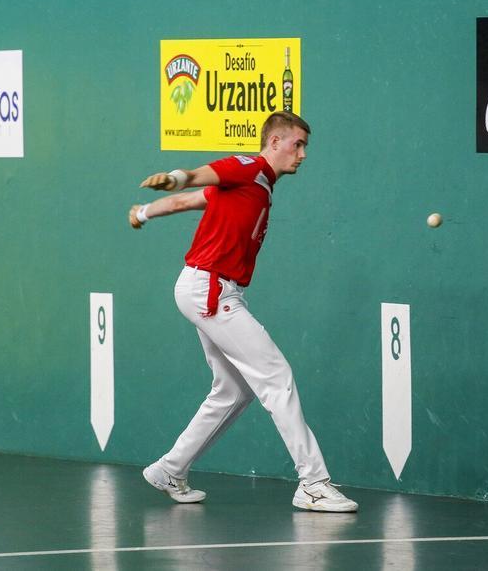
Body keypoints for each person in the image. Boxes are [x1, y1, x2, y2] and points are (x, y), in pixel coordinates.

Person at [129, 110, 357, 513]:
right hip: (210, 288)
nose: (302, 155)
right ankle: (313, 483)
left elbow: (188, 202)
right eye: (297, 145)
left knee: (233, 389)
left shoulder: (256, 186)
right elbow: (196, 180)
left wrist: (144, 212)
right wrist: (176, 175)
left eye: (304, 147)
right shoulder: (248, 167)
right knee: (277, 376)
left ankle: (169, 469)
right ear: (274, 143)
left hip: (207, 287)